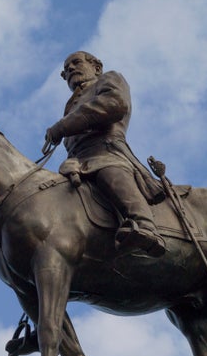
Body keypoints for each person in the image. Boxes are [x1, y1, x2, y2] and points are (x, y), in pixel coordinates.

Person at [44, 51, 167, 257]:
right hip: (77, 162)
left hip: (106, 152)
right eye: (66, 70)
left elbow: (115, 104)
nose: (71, 69)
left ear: (96, 67)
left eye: (76, 63)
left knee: (109, 174)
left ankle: (145, 225)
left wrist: (63, 126)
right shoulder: (71, 104)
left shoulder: (109, 79)